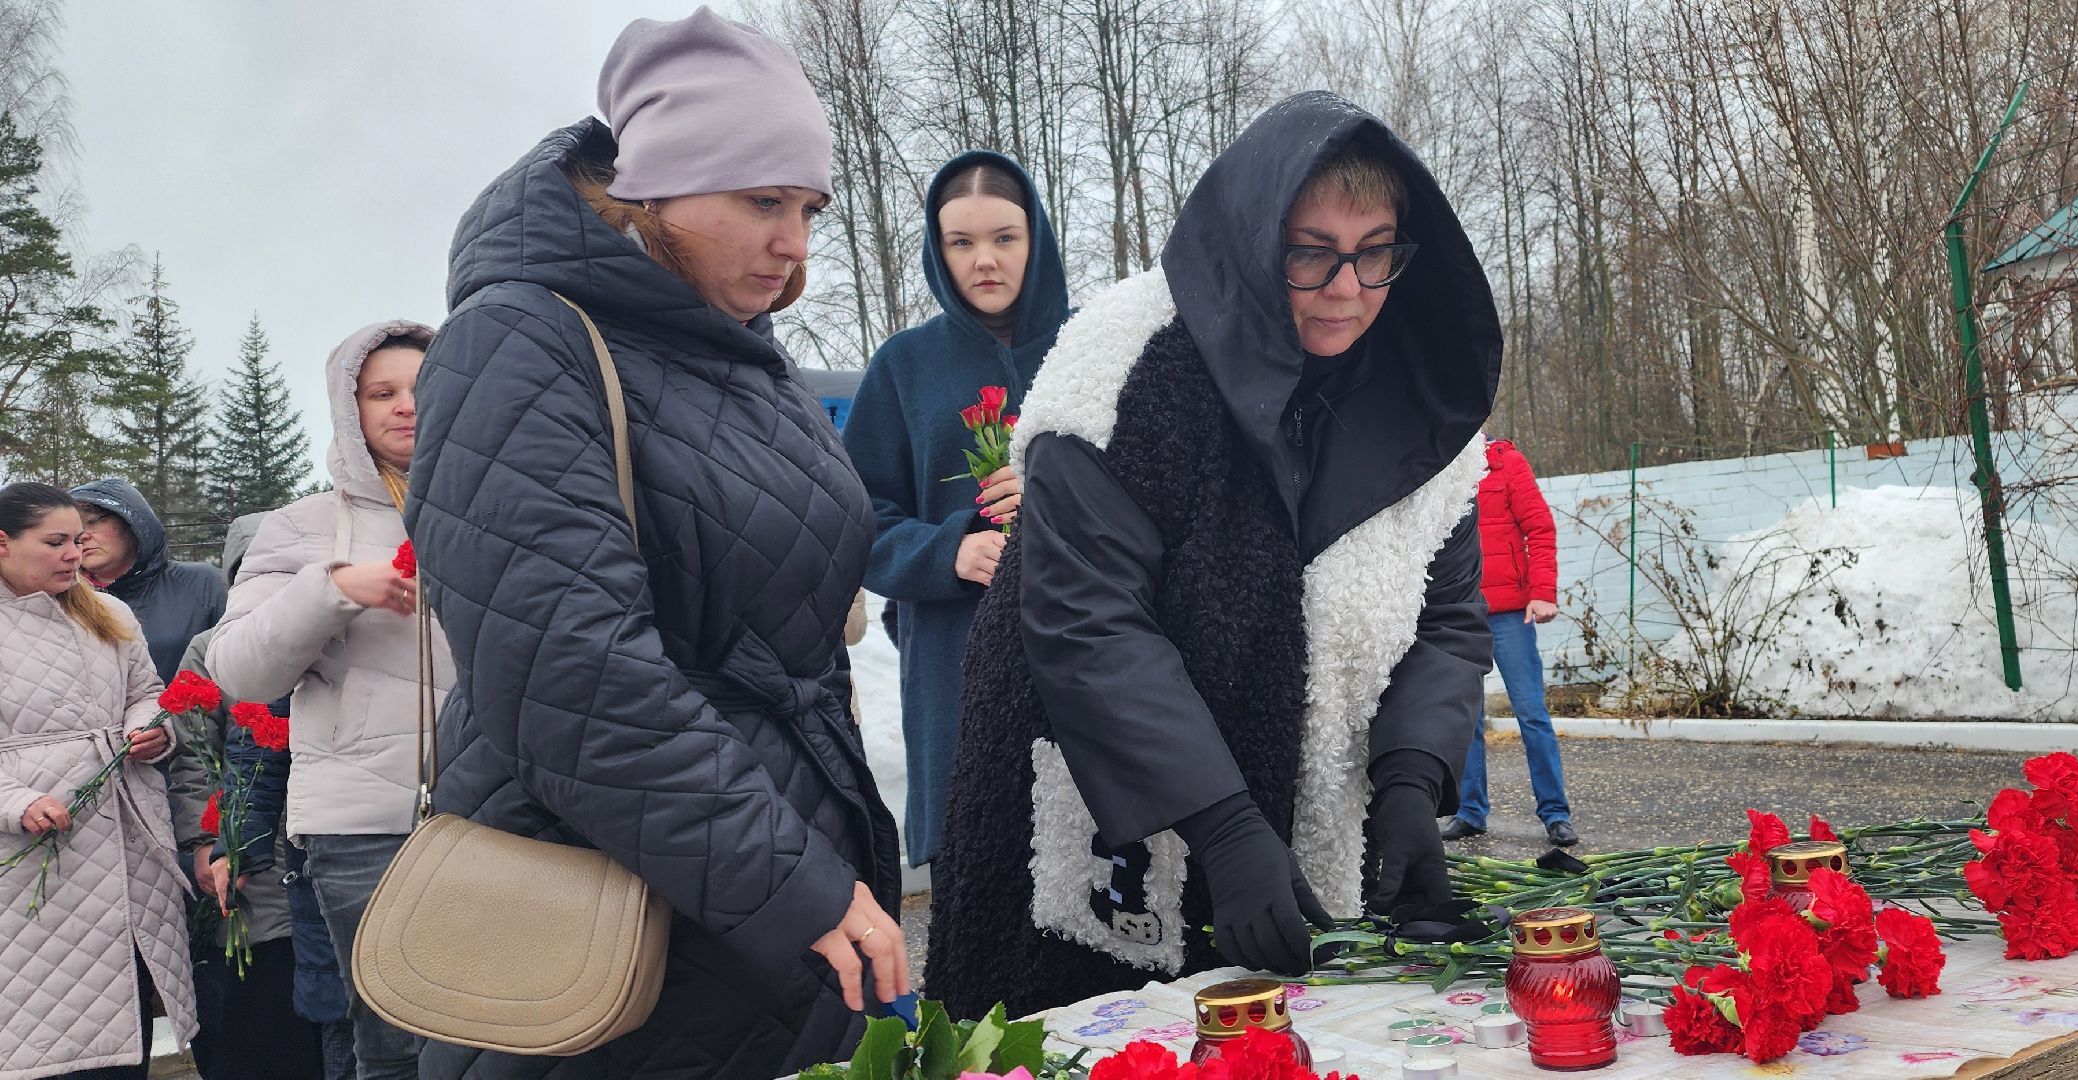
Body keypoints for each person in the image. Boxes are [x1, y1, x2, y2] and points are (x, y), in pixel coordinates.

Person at [404, 9, 904, 1076]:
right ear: (657, 190)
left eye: (810, 208)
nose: (795, 243)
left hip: (769, 896)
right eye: (762, 201)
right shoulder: (521, 337)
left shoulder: (745, 357)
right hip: (612, 918)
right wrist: (789, 880)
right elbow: (564, 671)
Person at [927, 91, 1501, 1017]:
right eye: (1309, 252)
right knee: (1082, 1042)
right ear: (1251, 238)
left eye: (1375, 252)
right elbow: (1086, 616)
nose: (1347, 288)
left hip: (1295, 815)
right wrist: (1223, 823)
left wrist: (1408, 778)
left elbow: (1446, 618)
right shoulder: (1127, 365)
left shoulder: (1423, 394)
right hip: (1102, 801)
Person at [205, 321, 447, 1080]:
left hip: (505, 805)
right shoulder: (302, 526)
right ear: (350, 407)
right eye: (382, 392)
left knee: (507, 1028)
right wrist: (333, 590)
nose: (406, 406)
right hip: (364, 825)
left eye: (423, 388)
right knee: (396, 1042)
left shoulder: (509, 503)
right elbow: (239, 672)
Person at [843, 150, 1070, 866]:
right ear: (937, 251)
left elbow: (1162, 492)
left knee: (1092, 858)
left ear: (1036, 239)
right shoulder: (904, 366)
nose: (985, 260)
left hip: (1089, 642)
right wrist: (948, 549)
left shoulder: (1091, 348)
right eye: (961, 241)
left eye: (1005, 237)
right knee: (976, 857)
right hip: (954, 655)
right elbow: (858, 517)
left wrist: (1061, 496)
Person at [1, 481, 201, 1079]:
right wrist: (15, 801)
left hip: (129, 836)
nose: (74, 554)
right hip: (32, 854)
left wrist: (149, 730)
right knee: (42, 1025)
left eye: (78, 539)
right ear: (3, 544)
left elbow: (146, 693)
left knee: (127, 1017)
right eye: (55, 542)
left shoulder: (108, 612)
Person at [168, 512, 337, 1080]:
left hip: (330, 845)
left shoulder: (345, 639)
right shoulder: (212, 649)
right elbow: (193, 757)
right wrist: (204, 841)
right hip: (248, 865)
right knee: (264, 1013)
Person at [1441, 435, 1576, 846]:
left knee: (1531, 713)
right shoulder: (1441, 469)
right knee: (1466, 719)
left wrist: (1543, 592)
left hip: (1511, 615)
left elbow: (1540, 528)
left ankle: (1555, 814)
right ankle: (1470, 811)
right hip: (1461, 614)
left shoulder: (1506, 464)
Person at [71, 477, 227, 678]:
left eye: (93, 521)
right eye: (74, 529)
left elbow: (239, 662)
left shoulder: (201, 584)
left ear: (132, 522)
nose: (82, 536)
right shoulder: (61, 596)